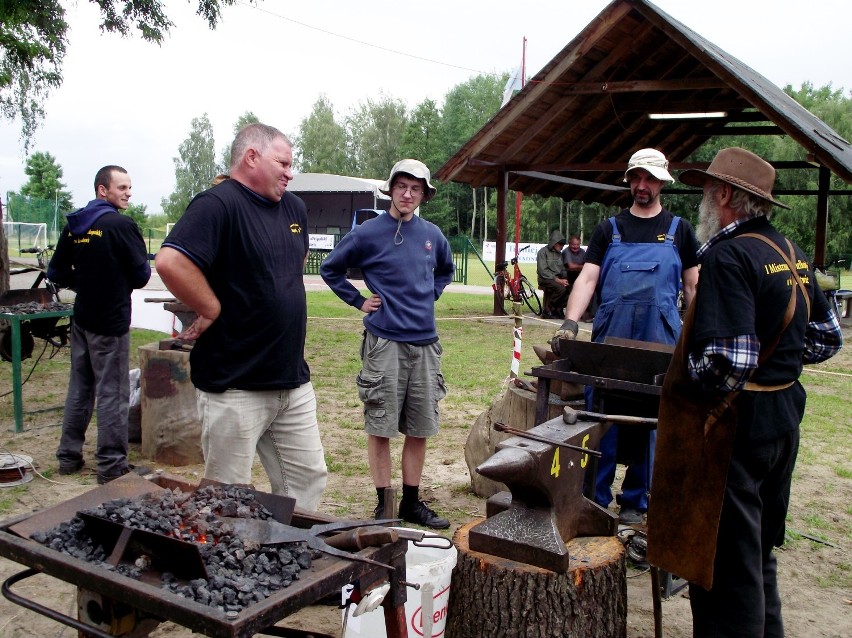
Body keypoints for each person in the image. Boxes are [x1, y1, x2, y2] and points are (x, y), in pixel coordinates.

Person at [647, 147, 843, 637]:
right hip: (781, 417)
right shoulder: (788, 252)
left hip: (735, 427)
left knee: (724, 571)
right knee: (757, 555)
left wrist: (683, 375)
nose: (704, 204)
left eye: (709, 193)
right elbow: (826, 337)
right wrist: (777, 365)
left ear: (727, 196)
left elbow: (726, 364)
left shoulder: (728, 255)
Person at [155, 123, 327, 511]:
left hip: (290, 381)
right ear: (252, 157)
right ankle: (223, 565)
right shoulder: (217, 205)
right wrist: (211, 307)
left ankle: (282, 556)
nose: (290, 172)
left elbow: (292, 264)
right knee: (227, 495)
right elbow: (171, 261)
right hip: (235, 385)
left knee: (307, 479)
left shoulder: (294, 208)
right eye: (282, 162)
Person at [553, 148, 700, 524]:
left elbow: (694, 286)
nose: (641, 186)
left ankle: (636, 500)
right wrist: (570, 322)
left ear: (662, 182)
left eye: (649, 179)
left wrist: (699, 333)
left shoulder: (680, 230)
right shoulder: (608, 229)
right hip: (611, 340)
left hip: (659, 342)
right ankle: (596, 499)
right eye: (636, 178)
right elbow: (587, 278)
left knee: (652, 422)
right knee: (601, 416)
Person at [319, 159, 454, 530]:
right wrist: (359, 300)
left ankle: (412, 503)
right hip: (384, 344)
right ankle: (385, 504)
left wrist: (432, 293)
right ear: (390, 189)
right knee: (380, 426)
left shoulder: (432, 235)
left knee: (420, 427)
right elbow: (330, 268)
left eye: (416, 189)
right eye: (402, 187)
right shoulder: (367, 233)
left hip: (425, 345)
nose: (408, 194)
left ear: (424, 194)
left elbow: (445, 270)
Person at [50, 165, 151, 484]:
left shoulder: (75, 224)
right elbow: (141, 275)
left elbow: (56, 271)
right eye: (121, 187)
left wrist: (85, 283)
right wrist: (111, 282)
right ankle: (111, 464)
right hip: (110, 321)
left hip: (82, 318)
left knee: (80, 387)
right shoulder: (120, 225)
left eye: (129, 187)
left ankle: (69, 457)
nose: (128, 193)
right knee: (112, 392)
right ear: (102, 189)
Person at [536, 229, 569, 318]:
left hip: (557, 278)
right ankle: (548, 309)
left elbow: (563, 269)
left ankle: (558, 308)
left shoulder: (560, 254)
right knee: (560, 289)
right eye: (560, 244)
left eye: (563, 245)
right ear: (554, 243)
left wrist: (565, 278)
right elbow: (543, 271)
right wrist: (558, 280)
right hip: (545, 278)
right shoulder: (543, 252)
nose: (562, 246)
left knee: (571, 287)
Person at [562, 234, 594, 321]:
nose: (575, 247)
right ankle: (579, 315)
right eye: (573, 244)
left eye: (577, 245)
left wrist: (580, 267)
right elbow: (570, 266)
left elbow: (587, 265)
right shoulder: (566, 252)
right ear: (569, 244)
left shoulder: (582, 252)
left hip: (580, 276)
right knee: (578, 291)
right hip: (568, 277)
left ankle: (589, 313)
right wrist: (583, 267)